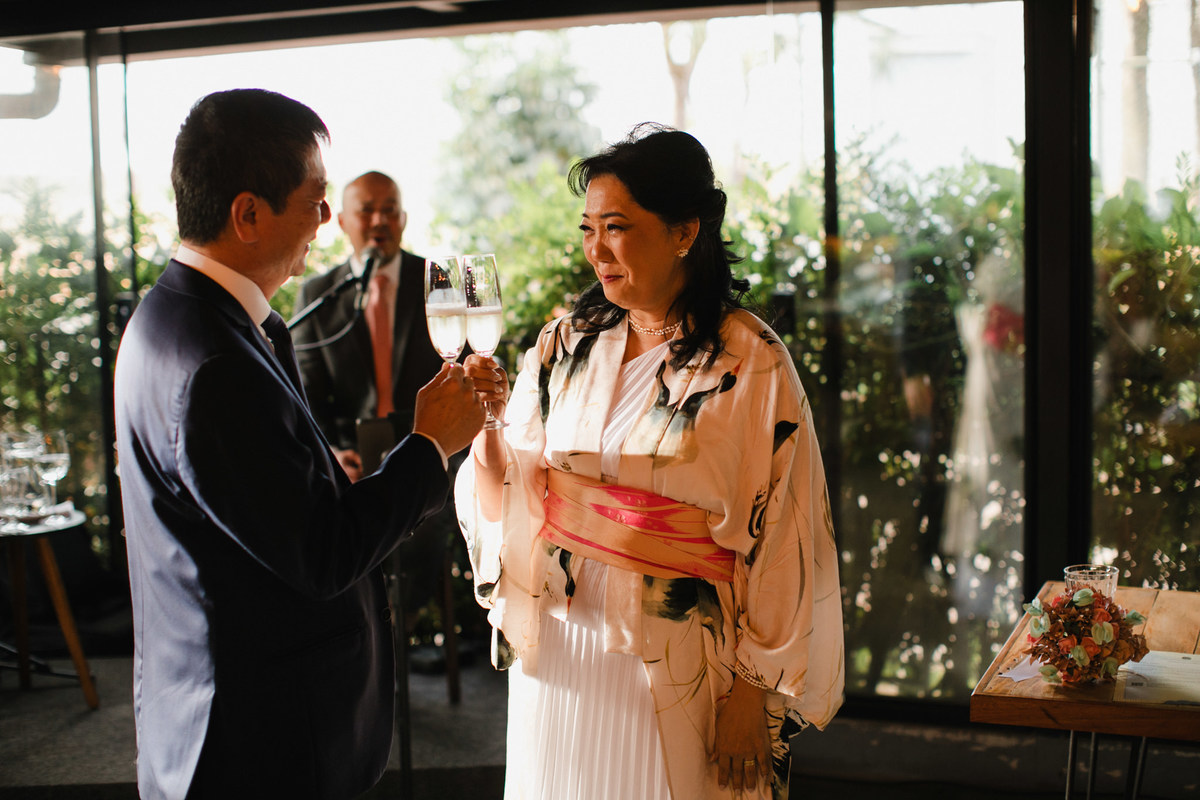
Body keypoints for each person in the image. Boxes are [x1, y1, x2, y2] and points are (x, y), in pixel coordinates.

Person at [113, 88, 484, 800]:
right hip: (260, 741)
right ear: (248, 214)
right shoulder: (216, 363)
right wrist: (429, 445)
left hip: (206, 708)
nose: (326, 219)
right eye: (315, 199)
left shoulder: (170, 316)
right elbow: (321, 554)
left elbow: (262, 509)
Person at [456, 123, 845, 800]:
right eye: (587, 229)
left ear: (684, 230)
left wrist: (753, 694)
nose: (595, 249)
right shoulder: (565, 342)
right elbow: (506, 488)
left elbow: (787, 531)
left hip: (684, 648)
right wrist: (484, 422)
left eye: (616, 227)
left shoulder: (750, 358)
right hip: (562, 643)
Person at [292, 171, 444, 481]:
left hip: (434, 457)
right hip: (352, 468)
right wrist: (330, 452)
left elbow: (462, 369)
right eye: (366, 210)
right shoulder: (317, 294)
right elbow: (307, 390)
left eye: (390, 210)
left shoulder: (439, 280)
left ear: (403, 218)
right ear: (343, 222)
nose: (379, 220)